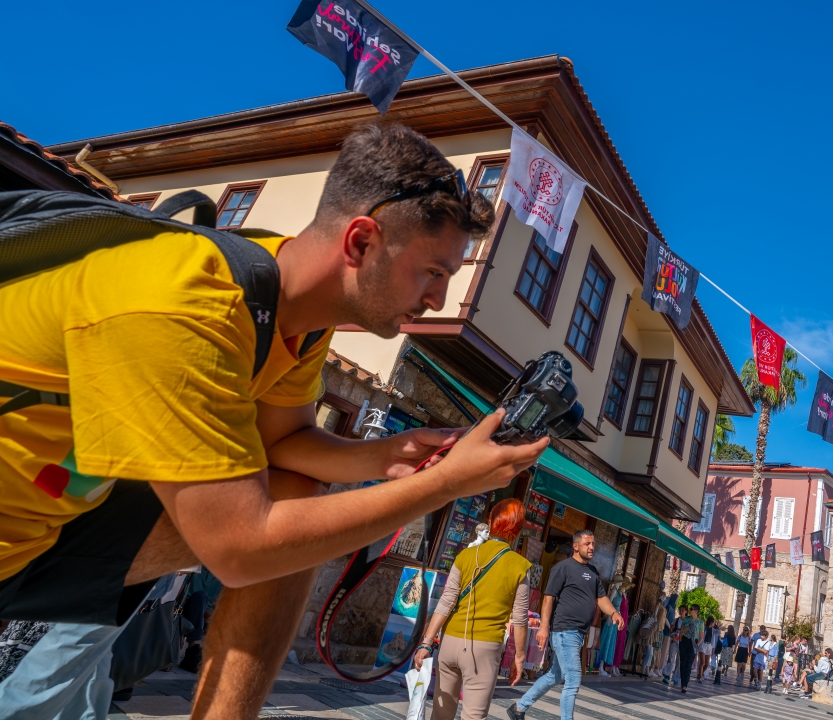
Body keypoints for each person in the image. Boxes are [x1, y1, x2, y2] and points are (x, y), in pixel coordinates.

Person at [0, 122, 549, 718]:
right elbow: (239, 548)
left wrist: (389, 456)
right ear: (361, 243)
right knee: (268, 527)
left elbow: (283, 440)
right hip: (25, 536)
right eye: (434, 273)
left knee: (294, 490)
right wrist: (443, 485)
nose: (437, 300)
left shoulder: (288, 308)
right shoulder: (188, 301)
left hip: (48, 532)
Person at [410, 499, 530, 720]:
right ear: (518, 529)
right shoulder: (520, 566)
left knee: (440, 714)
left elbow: (446, 602)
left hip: (450, 642)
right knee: (474, 716)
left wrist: (426, 642)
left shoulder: (465, 555)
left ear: (491, 521)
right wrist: (519, 657)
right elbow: (520, 619)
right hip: (483, 650)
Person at [508, 529, 622, 720]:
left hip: (578, 634)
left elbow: (600, 598)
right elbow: (548, 598)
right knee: (574, 679)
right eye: (587, 544)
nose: (592, 547)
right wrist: (544, 627)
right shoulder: (563, 568)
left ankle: (519, 708)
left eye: (593, 544)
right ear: (576, 546)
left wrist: (614, 612)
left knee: (555, 676)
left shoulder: (593, 572)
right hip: (564, 631)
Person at [676, 603, 704, 693]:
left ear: (696, 611)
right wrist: (680, 641)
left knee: (688, 664)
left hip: (693, 643)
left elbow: (701, 636)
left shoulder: (700, 622)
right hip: (684, 641)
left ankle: (685, 685)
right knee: (682, 663)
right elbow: (681, 631)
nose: (690, 610)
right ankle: (682, 683)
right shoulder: (686, 619)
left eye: (692, 609)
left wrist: (697, 644)